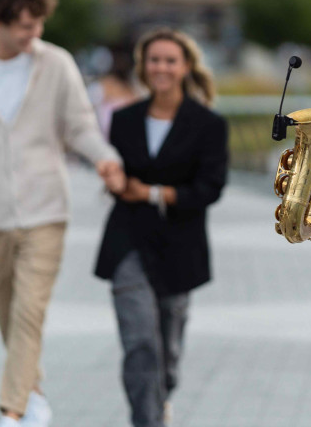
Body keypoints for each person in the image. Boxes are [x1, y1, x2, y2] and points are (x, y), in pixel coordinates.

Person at [0, 0, 126, 427]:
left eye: (39, 24)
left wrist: (105, 157)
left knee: (29, 309)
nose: (35, 33)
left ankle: (14, 412)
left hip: (46, 209)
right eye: (25, 25)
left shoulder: (55, 63)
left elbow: (80, 124)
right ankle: (33, 392)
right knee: (5, 312)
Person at [94, 27, 228, 427]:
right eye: (154, 60)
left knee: (166, 351)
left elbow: (210, 188)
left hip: (178, 248)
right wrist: (115, 181)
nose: (161, 67)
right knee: (140, 344)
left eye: (170, 60)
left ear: (185, 66)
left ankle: (161, 401)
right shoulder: (123, 119)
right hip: (127, 243)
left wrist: (152, 193)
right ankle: (147, 421)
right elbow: (116, 174)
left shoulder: (207, 124)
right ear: (143, 66)